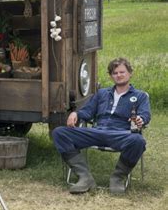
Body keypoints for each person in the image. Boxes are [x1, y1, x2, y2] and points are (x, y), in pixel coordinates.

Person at [52, 57, 151, 194]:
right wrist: (76, 114)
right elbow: (88, 111)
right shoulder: (102, 93)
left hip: (121, 134)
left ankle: (117, 177)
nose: (119, 75)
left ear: (130, 73)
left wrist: (141, 119)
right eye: (115, 73)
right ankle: (84, 177)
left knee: (138, 141)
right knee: (59, 133)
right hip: (97, 132)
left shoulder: (140, 96)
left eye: (122, 72)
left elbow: (145, 115)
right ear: (111, 76)